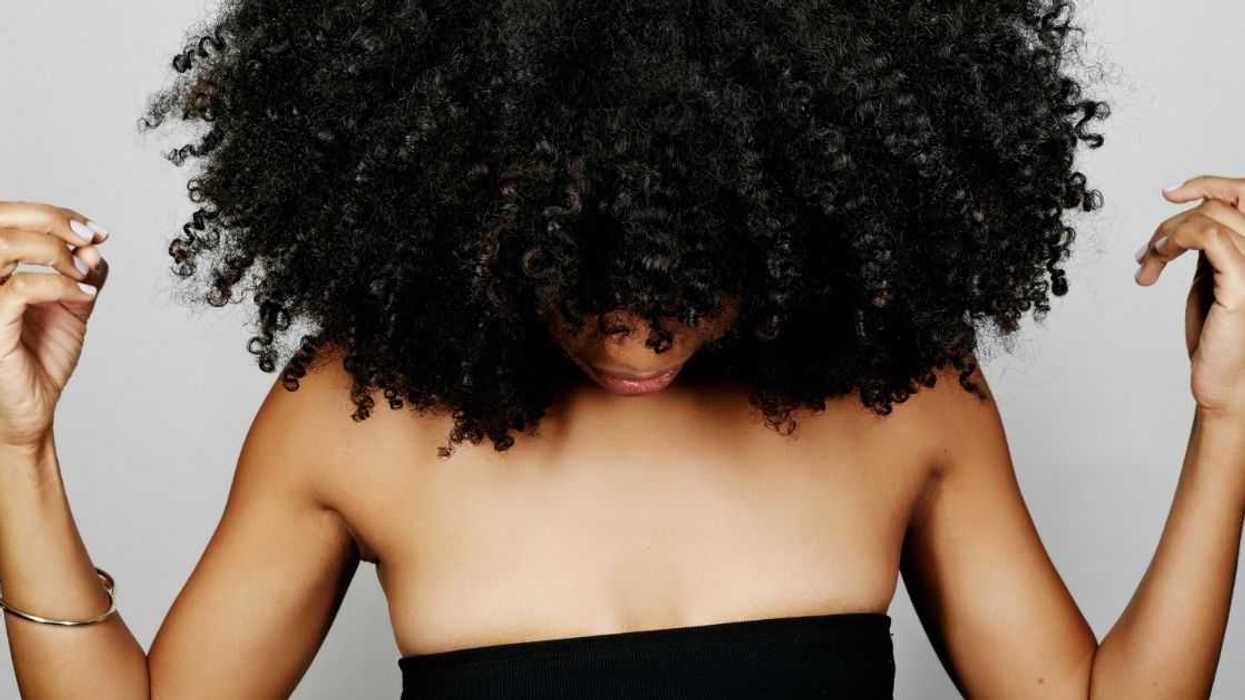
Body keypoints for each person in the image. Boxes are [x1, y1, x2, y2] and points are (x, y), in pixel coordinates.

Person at [1, 0, 1243, 698]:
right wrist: (18, 446)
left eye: (691, 289)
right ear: (481, 205)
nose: (639, 339)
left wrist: (1230, 418)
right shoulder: (353, 415)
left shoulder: (905, 402)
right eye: (578, 284)